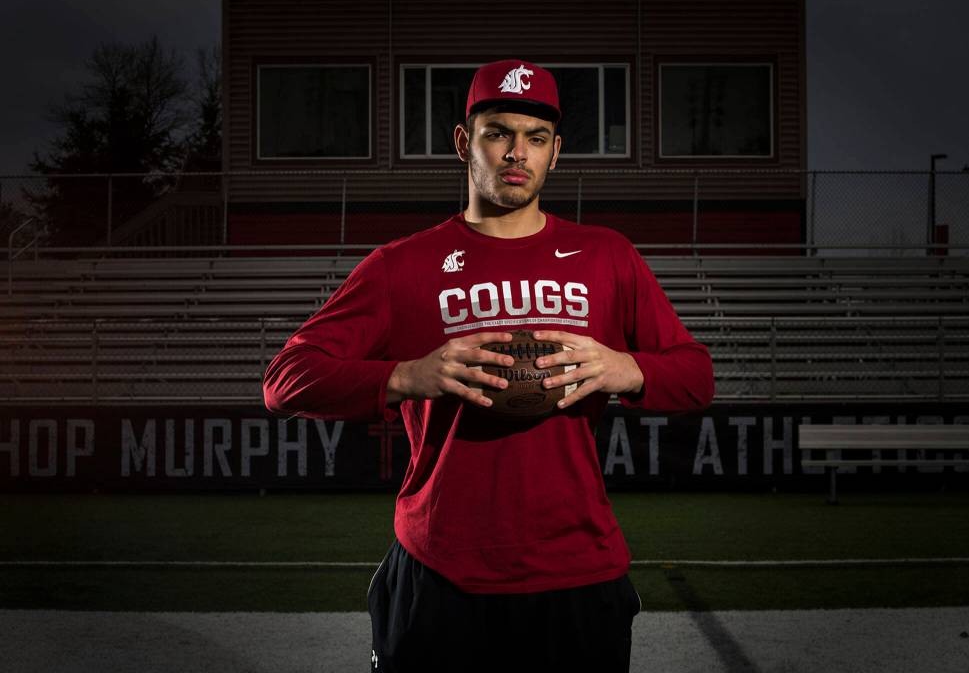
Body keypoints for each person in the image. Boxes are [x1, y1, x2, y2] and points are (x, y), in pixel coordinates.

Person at [262, 58, 714, 672]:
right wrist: (404, 375)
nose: (516, 153)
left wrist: (623, 367)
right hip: (441, 572)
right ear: (463, 142)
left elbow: (696, 375)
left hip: (577, 572)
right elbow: (286, 379)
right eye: (497, 132)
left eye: (536, 138)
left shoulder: (608, 256)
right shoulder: (402, 265)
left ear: (556, 153)